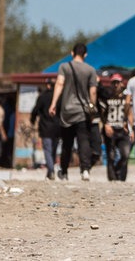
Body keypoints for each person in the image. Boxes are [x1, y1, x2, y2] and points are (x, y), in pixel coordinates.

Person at [49, 43, 99, 181]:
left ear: (72, 53)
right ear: (85, 54)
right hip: (82, 111)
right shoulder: (90, 70)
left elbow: (59, 84)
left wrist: (53, 104)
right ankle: (85, 170)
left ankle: (64, 172)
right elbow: (93, 91)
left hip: (67, 112)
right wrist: (92, 107)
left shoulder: (64, 67)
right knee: (84, 141)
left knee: (67, 143)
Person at [101, 73, 132, 181]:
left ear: (122, 84)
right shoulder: (107, 97)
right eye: (113, 83)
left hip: (123, 130)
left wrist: (131, 129)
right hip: (111, 129)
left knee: (125, 155)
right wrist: (106, 124)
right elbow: (102, 113)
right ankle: (112, 178)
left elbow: (130, 114)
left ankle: (120, 175)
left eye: (117, 82)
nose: (115, 85)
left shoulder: (126, 98)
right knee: (111, 156)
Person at [30, 78, 61, 180]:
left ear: (48, 85)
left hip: (46, 128)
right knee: (53, 150)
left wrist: (32, 120)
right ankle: (50, 172)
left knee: (47, 150)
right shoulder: (59, 97)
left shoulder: (43, 97)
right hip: (57, 128)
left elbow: (35, 110)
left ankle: (51, 170)